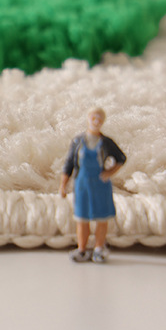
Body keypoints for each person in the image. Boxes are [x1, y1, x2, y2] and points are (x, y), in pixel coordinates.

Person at [59, 107, 126, 263]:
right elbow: (69, 164)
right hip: (82, 185)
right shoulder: (77, 141)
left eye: (100, 119)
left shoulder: (106, 142)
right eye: (93, 118)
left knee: (102, 218)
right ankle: (81, 249)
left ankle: (98, 249)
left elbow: (121, 158)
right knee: (82, 218)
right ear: (88, 119)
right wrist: (63, 185)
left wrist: (109, 172)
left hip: (100, 185)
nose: (96, 122)